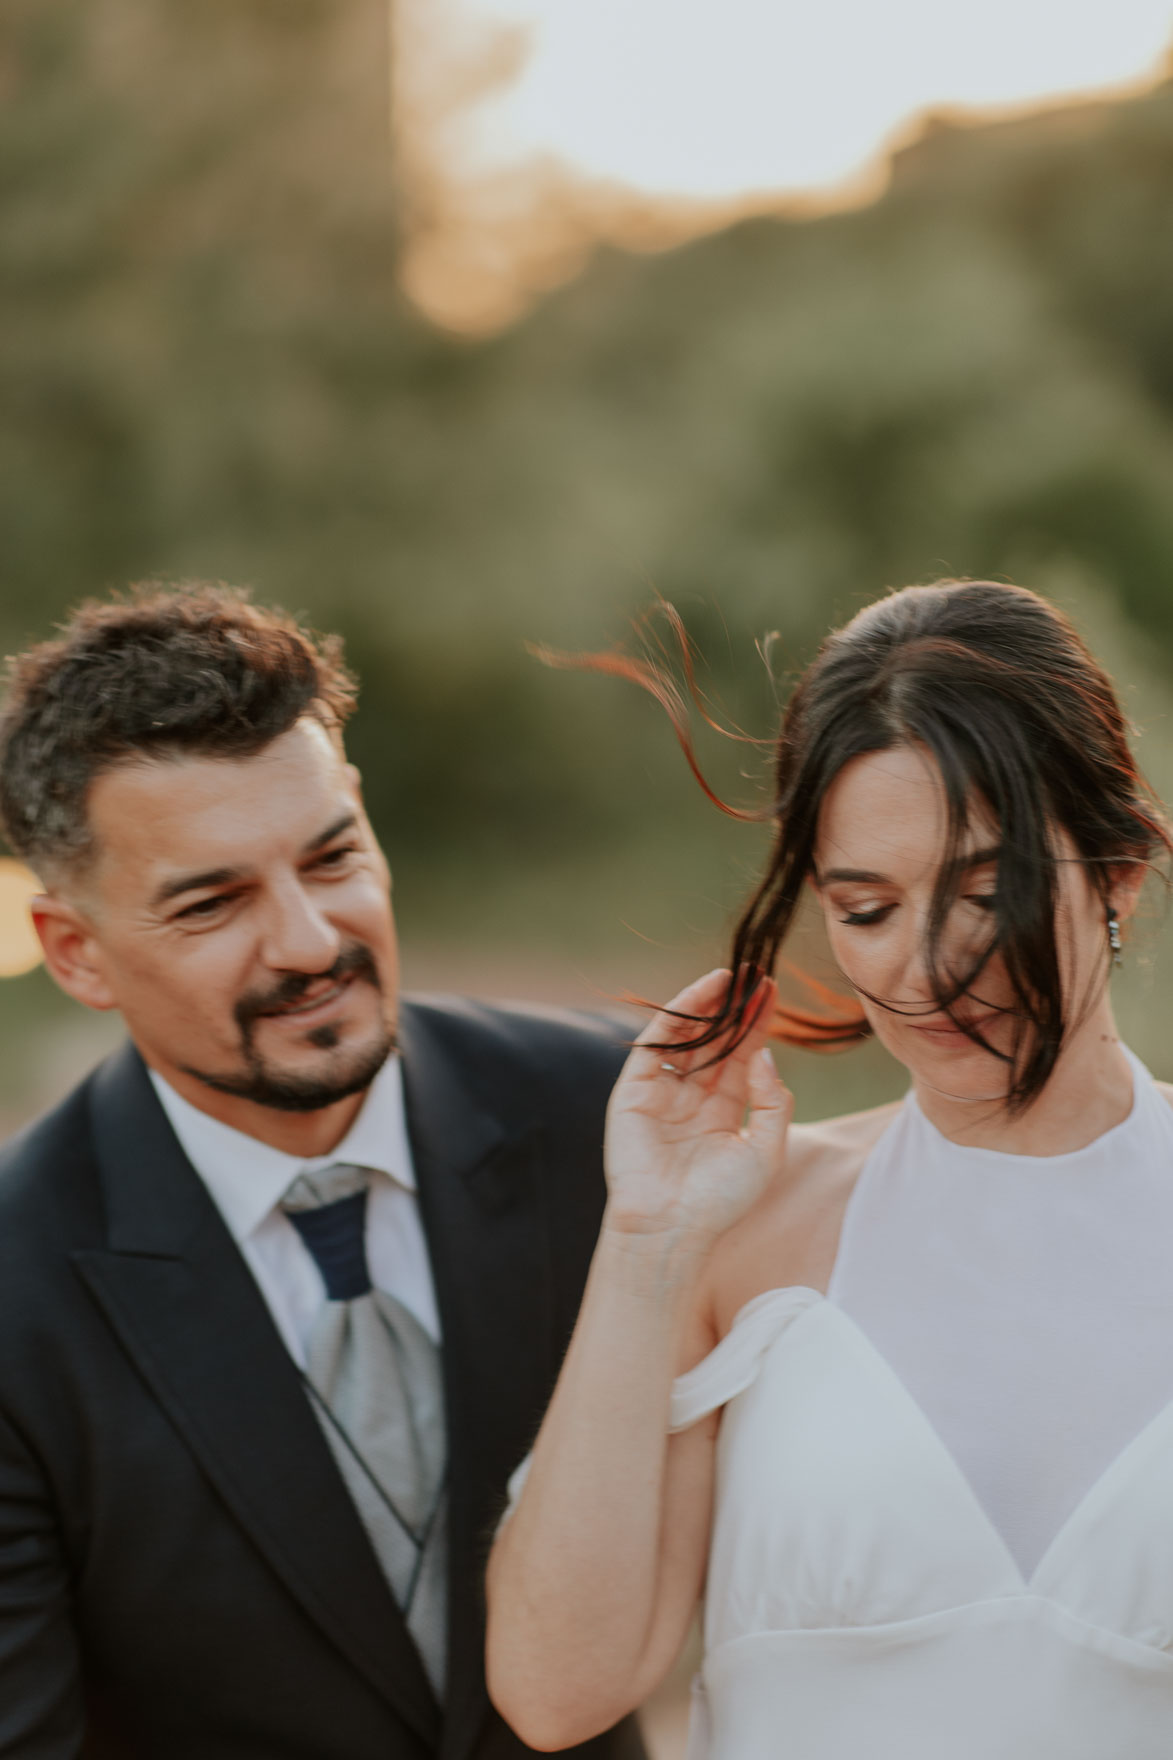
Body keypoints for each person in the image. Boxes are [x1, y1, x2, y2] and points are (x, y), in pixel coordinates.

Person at [485, 578, 1173, 1759]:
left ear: (1118, 866)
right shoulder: (752, 1230)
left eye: (983, 889)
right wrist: (647, 1239)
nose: (925, 970)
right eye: (866, 908)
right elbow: (555, 1686)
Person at [0, 583, 645, 1760]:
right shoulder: (12, 1289)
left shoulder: (610, 1120)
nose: (308, 940)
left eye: (333, 855)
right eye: (213, 900)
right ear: (77, 953)